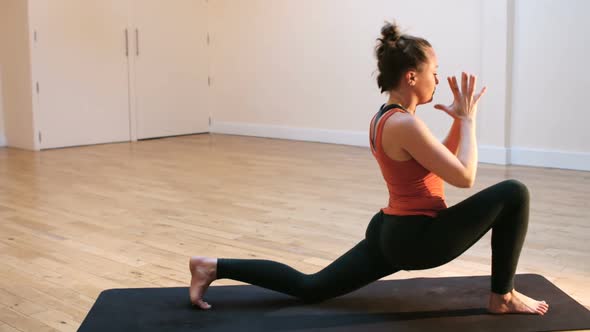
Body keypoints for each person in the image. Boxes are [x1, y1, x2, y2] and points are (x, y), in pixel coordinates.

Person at [188, 21, 549, 315]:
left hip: (390, 230)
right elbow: (465, 177)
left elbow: (439, 165)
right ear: (411, 77)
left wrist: (457, 121)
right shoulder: (405, 125)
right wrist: (469, 121)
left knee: (310, 287)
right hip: (416, 238)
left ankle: (213, 266)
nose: (438, 80)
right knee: (514, 193)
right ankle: (501, 296)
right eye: (434, 72)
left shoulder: (387, 119)